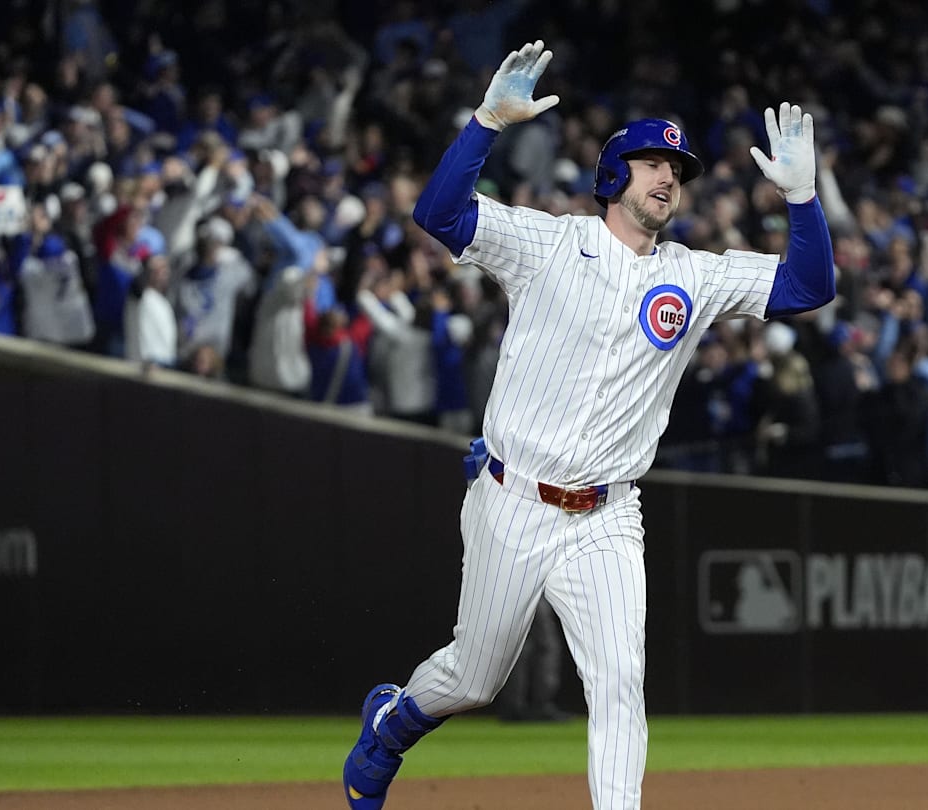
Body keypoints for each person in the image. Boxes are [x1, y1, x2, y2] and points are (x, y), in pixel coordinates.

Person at [342, 41, 834, 810]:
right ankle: (395, 721)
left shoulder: (693, 276)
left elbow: (809, 284)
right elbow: (437, 213)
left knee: (618, 683)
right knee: (473, 676)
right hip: (512, 497)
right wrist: (484, 124)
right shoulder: (549, 241)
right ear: (614, 175)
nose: (669, 175)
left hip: (608, 514)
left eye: (677, 169)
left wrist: (804, 200)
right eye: (650, 163)